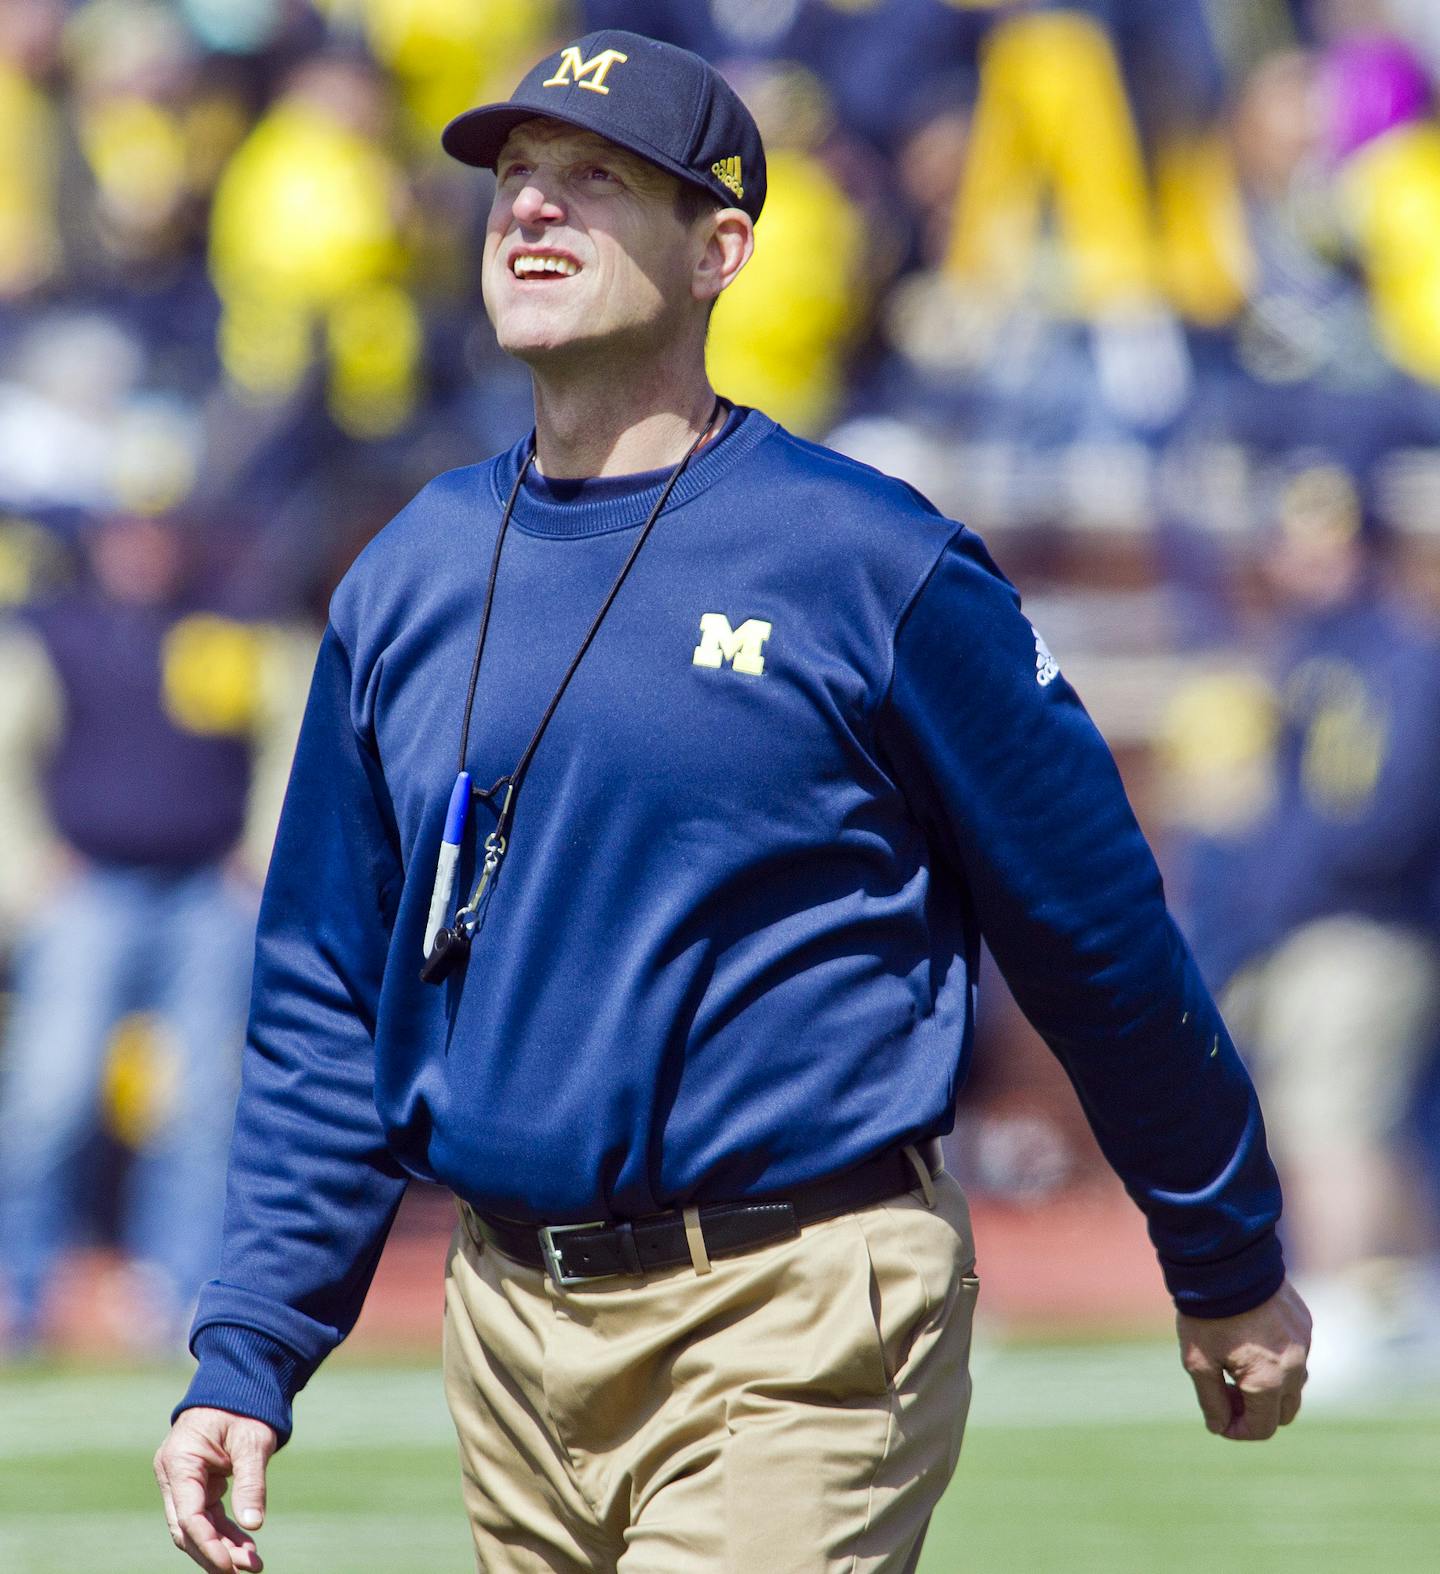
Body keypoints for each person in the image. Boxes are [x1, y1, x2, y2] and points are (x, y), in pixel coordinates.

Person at [154, 30, 1311, 1574]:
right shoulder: (408, 574)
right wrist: (250, 1348)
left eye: (594, 179)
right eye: (512, 180)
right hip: (506, 1331)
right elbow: (323, 1002)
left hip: (798, 1303)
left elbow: (1090, 927)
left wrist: (1220, 1247)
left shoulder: (868, 560)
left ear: (722, 249)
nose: (532, 213)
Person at [0, 512, 262, 1352]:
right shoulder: (53, 630)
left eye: (156, 531)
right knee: (51, 1094)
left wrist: (258, 855)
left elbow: (287, 735)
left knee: (199, 1110)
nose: (142, 549)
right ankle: (21, 1289)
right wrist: (27, 868)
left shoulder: (225, 624)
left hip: (203, 892)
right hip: (86, 891)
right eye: (126, 532)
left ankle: (177, 1296)